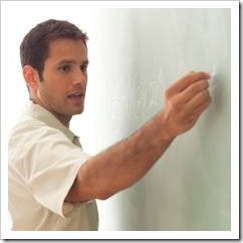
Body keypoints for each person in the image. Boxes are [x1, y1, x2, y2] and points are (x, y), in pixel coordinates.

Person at [8, 19, 211, 231]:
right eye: (65, 68)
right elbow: (93, 180)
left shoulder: (50, 134)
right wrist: (165, 126)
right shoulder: (30, 139)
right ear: (31, 76)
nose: (80, 79)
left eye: (83, 67)